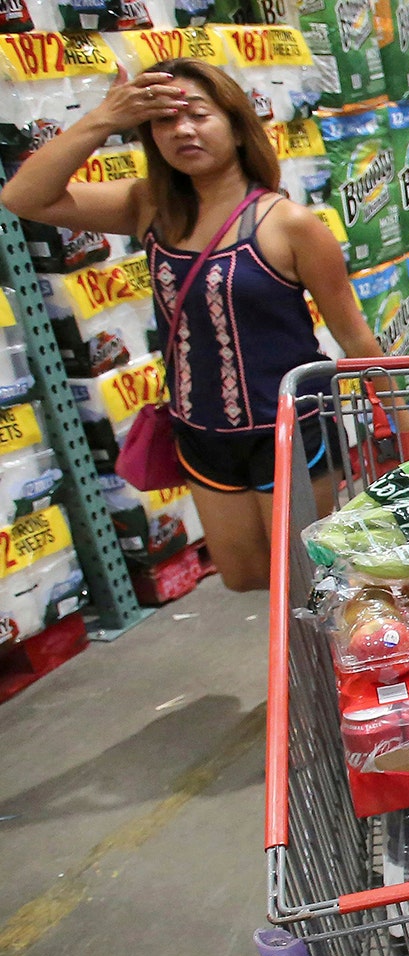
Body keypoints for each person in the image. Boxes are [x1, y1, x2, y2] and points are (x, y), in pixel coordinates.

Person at [0, 58, 385, 593]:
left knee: (303, 582)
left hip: (288, 431)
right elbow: (23, 197)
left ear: (234, 124)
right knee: (246, 577)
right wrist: (104, 120)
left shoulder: (290, 225)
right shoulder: (149, 207)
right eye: (163, 121)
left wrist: (407, 439)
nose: (182, 130)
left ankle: (322, 676)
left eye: (198, 115)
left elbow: (354, 336)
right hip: (198, 432)